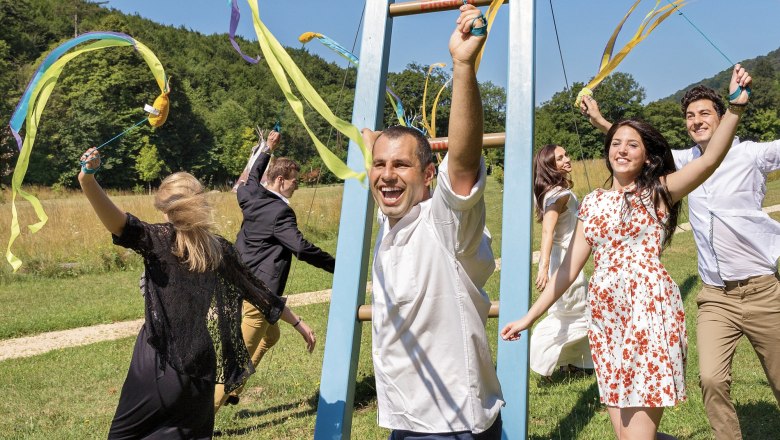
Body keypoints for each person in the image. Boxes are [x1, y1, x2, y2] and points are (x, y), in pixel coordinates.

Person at [502, 65, 751, 439]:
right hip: (607, 323)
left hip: (648, 317)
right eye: (616, 143)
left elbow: (709, 159)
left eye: (632, 144)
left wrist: (735, 109)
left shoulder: (659, 192)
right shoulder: (593, 203)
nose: (621, 149)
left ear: (648, 157)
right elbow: (567, 270)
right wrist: (529, 317)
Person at [582, 76, 780, 440]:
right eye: (690, 115)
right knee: (711, 379)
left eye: (705, 113)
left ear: (721, 116)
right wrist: (599, 121)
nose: (696, 120)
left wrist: (738, 105)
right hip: (716, 294)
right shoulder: (684, 160)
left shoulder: (752, 153)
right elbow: (634, 147)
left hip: (762, 289)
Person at [76, 147, 315, 438]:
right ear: (199, 203)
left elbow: (117, 221)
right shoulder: (218, 248)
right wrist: (298, 323)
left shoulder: (157, 239)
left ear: (165, 208)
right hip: (200, 365)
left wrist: (87, 178)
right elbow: (262, 294)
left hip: (156, 363)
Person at [359, 5, 503, 438]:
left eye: (401, 165)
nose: (387, 175)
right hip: (405, 419)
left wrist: (462, 67)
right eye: (379, 165)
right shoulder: (392, 220)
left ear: (427, 176)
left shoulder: (443, 223)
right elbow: (380, 163)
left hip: (451, 425)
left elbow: (463, 161)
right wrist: (376, 145)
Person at [213, 129, 335, 411]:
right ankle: (197, 424)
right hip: (257, 296)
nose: (297, 187)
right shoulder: (280, 213)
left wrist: (267, 148)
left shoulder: (249, 196)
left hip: (240, 284)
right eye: (294, 182)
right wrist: (338, 267)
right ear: (281, 181)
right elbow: (301, 248)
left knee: (271, 336)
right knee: (234, 364)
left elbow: (251, 177)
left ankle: (235, 389)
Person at [529, 144, 592, 379]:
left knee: (572, 313)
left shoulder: (554, 191)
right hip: (565, 259)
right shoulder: (559, 195)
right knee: (578, 314)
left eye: (566, 155)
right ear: (549, 166)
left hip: (565, 257)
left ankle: (573, 363)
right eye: (560, 158)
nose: (567, 159)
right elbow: (548, 230)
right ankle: (540, 355)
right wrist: (544, 266)